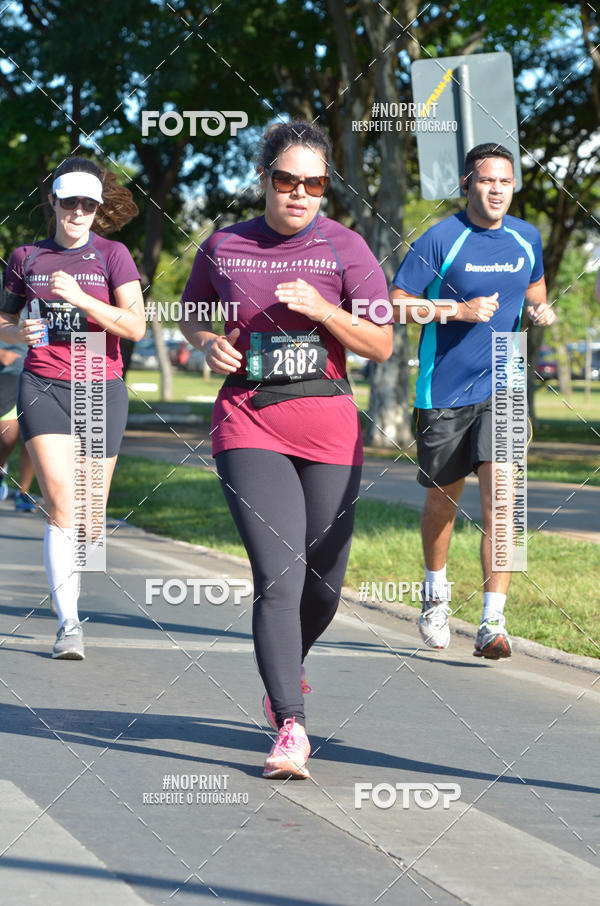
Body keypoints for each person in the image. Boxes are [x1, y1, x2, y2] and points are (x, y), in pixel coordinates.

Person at [179, 121, 393, 779]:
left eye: (314, 182)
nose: (299, 193)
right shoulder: (225, 245)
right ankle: (289, 724)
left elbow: (380, 344)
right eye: (286, 180)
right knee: (279, 576)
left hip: (329, 426)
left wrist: (323, 311)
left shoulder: (345, 246)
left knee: (324, 585)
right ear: (266, 179)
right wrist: (201, 342)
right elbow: (192, 313)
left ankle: (286, 661)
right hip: (249, 422)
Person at [390, 142, 555, 659]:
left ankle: (492, 623)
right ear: (467, 184)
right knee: (444, 499)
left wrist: (541, 313)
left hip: (505, 383)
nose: (498, 189)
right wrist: (456, 311)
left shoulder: (527, 237)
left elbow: (534, 294)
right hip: (444, 390)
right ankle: (435, 596)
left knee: (504, 505)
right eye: (488, 181)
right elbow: (395, 307)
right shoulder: (441, 239)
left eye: (506, 181)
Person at [0, 156, 145, 659]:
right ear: (54, 203)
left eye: (88, 204)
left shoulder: (114, 256)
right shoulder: (26, 257)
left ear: (97, 208)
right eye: (70, 202)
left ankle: (75, 595)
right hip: (42, 384)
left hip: (99, 385)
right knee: (61, 504)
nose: (78, 212)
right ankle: (69, 624)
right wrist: (17, 333)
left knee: (89, 518)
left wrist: (83, 299)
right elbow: (3, 324)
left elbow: (134, 327)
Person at [0, 335, 36, 510]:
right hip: (6, 375)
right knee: (7, 439)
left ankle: (23, 493)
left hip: (36, 375)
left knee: (33, 439)